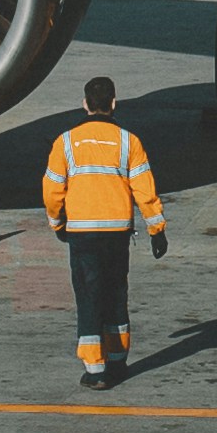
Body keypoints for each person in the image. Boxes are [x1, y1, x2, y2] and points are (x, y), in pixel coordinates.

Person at [41, 75, 167, 388]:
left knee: (88, 296)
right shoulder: (129, 141)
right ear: (113, 104)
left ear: (85, 104)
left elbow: (52, 190)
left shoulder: (65, 142)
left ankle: (95, 371)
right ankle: (117, 360)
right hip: (116, 232)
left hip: (82, 233)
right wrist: (157, 229)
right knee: (115, 293)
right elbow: (144, 189)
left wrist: (57, 222)